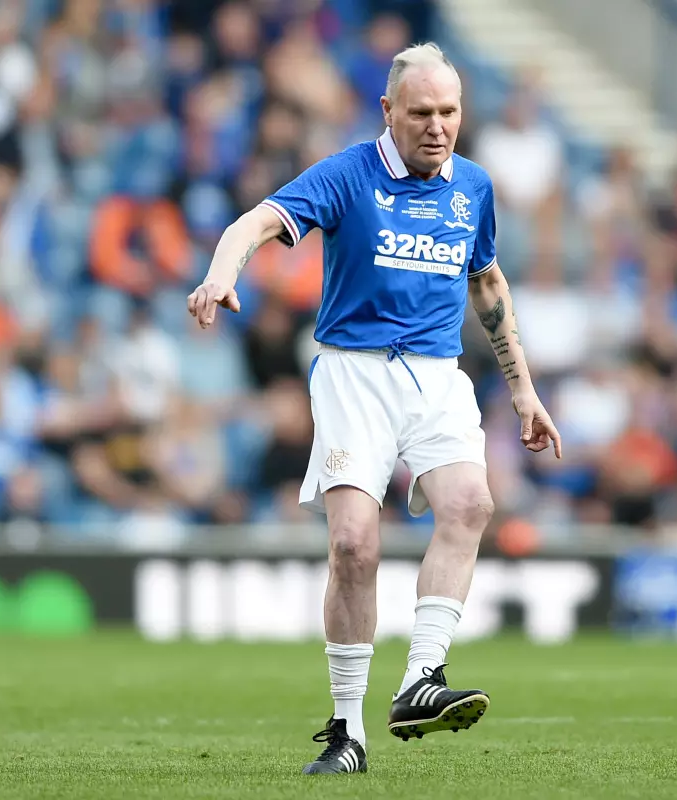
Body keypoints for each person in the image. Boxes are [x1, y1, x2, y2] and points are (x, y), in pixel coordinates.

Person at [186, 42, 562, 775]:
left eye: (449, 112)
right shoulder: (348, 173)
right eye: (420, 112)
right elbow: (256, 223)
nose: (436, 126)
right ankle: (347, 731)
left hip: (438, 377)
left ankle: (421, 679)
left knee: (471, 504)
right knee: (354, 545)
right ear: (388, 112)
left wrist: (523, 390)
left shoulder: (472, 188)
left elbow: (487, 286)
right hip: (354, 375)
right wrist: (219, 273)